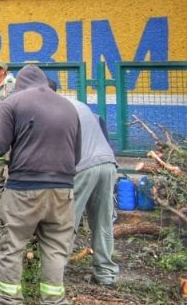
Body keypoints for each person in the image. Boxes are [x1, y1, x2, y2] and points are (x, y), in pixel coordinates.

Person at [0, 65, 81, 305]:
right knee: (56, 248)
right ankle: (54, 300)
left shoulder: (12, 104)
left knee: (10, 245)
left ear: (18, 85)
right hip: (63, 191)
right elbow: (76, 154)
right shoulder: (68, 106)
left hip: (24, 189)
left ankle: (8, 300)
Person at [61, 87, 119, 286]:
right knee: (103, 222)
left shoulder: (56, 109)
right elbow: (101, 126)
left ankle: (56, 271)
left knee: (66, 220)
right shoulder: (81, 106)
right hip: (108, 163)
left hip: (84, 168)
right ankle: (105, 274)